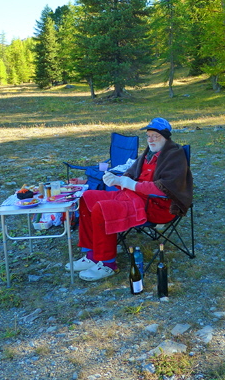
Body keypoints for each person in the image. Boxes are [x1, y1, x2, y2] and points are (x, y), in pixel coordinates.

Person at [65, 117, 193, 282]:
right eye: (149, 136)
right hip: (131, 197)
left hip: (156, 206)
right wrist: (116, 180)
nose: (151, 139)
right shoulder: (148, 153)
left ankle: (107, 263)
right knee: (87, 197)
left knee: (101, 209)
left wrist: (132, 185)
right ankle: (92, 254)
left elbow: (166, 188)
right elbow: (130, 175)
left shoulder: (174, 155)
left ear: (166, 137)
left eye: (156, 136)